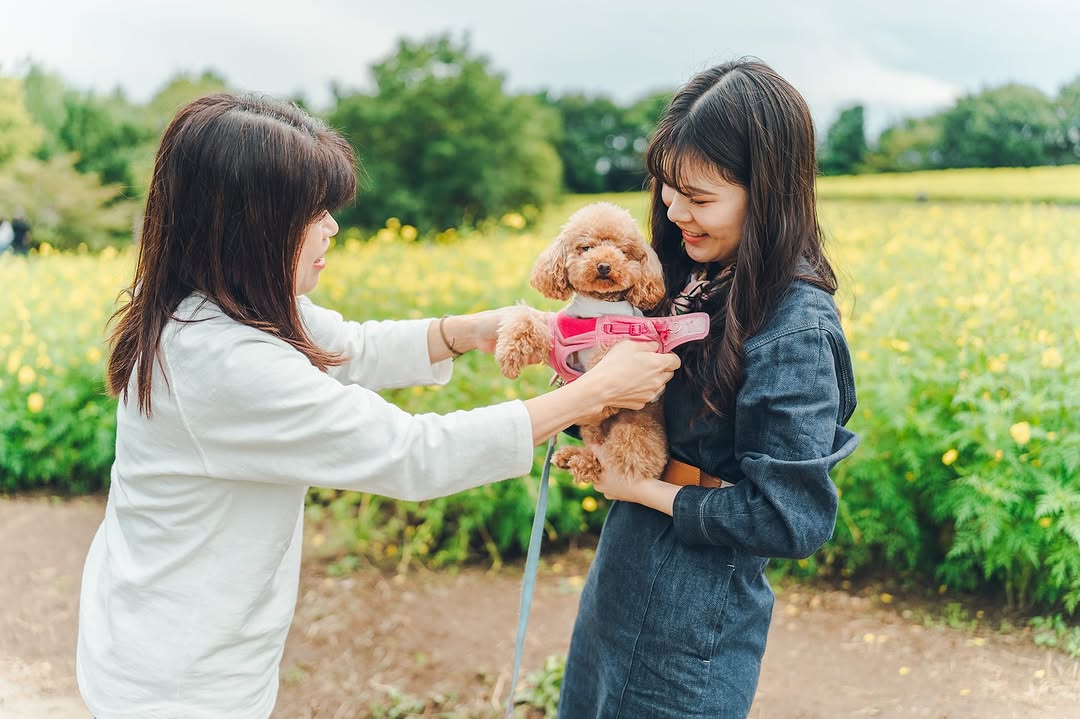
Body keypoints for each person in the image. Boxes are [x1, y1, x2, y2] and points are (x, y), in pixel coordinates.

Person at [75, 93, 680, 719]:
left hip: (166, 631)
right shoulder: (222, 363)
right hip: (179, 681)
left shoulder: (223, 301)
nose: (332, 226)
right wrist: (596, 391)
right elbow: (412, 455)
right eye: (313, 211)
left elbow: (351, 347)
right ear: (251, 225)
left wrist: (470, 329)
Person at [557, 59, 859, 718]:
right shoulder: (695, 274)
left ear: (768, 190)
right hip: (626, 565)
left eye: (699, 198)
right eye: (667, 189)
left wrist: (640, 485)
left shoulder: (795, 324)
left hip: (692, 614)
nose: (674, 211)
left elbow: (790, 517)